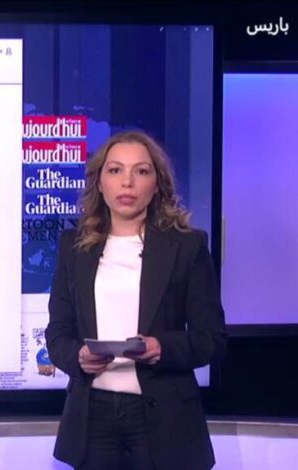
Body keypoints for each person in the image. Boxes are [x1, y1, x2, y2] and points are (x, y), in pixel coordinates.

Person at [46, 130, 227, 470]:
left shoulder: (187, 247)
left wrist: (162, 348)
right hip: (92, 418)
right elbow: (57, 334)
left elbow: (212, 339)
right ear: (100, 183)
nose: (127, 182)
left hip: (165, 419)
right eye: (115, 170)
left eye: (141, 171)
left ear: (157, 184)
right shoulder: (74, 247)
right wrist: (79, 357)